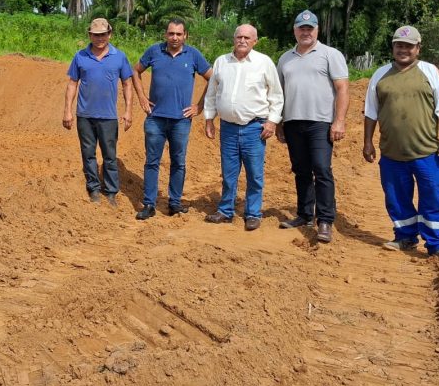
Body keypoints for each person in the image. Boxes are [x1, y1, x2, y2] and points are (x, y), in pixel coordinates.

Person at [363, 25, 439, 257]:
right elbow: (371, 111)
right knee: (396, 198)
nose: (403, 49)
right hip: (392, 154)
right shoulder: (380, 75)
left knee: (433, 195)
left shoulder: (430, 71)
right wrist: (367, 142)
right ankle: (405, 237)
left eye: (408, 46)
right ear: (393, 47)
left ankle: (437, 244)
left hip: (426, 152)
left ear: (418, 48)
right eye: (398, 45)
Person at [276, 10, 349, 243]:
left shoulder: (330, 54)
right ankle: (305, 214)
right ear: (295, 30)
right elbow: (278, 94)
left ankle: (325, 220)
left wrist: (339, 121)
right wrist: (278, 121)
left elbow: (342, 89)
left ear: (317, 30)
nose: (305, 32)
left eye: (310, 28)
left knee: (322, 169)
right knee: (301, 170)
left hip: (320, 122)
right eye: (301, 28)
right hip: (293, 121)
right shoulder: (285, 58)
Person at [203, 24, 283, 231]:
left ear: (255, 41)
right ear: (234, 39)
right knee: (229, 173)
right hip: (228, 128)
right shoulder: (222, 62)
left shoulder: (264, 63)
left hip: (254, 128)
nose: (242, 40)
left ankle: (253, 213)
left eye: (247, 37)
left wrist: (272, 121)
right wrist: (209, 119)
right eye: (239, 37)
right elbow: (212, 93)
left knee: (254, 174)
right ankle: (225, 210)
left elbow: (276, 95)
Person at [132, 18, 212, 220]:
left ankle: (174, 202)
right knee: (152, 162)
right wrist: (142, 97)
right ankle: (149, 204)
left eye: (178, 34)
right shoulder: (154, 51)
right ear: (165, 34)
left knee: (179, 162)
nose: (174, 37)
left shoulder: (193, 55)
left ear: (185, 35)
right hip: (155, 118)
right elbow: (135, 71)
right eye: (171, 33)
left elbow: (213, 77)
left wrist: (199, 106)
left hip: (181, 120)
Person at [63, 17, 134, 207]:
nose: (99, 38)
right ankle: (93, 188)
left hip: (108, 117)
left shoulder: (119, 57)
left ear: (109, 34)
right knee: (88, 153)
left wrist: (128, 111)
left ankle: (111, 192)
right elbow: (72, 84)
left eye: (103, 34)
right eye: (96, 35)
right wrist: (67, 111)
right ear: (90, 35)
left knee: (109, 156)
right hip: (85, 115)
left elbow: (127, 84)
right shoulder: (80, 56)